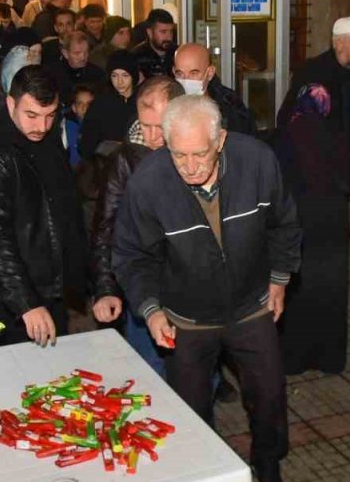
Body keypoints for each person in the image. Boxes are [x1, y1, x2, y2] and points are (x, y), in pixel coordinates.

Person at [114, 94, 299, 482]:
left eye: (200, 154)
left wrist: (280, 277)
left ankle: (267, 467)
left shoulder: (258, 162)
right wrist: (151, 309)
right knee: (189, 411)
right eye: (179, 155)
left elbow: (284, 222)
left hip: (251, 307)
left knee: (269, 398)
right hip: (187, 319)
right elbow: (132, 255)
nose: (190, 167)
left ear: (221, 140)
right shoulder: (148, 182)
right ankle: (205, 472)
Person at [278, 16, 350, 312]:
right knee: (319, 231)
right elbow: (288, 121)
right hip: (321, 169)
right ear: (339, 43)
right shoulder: (313, 73)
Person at [0, 66, 88, 346]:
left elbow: (66, 206)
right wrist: (26, 302)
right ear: (11, 104)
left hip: (51, 284)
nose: (41, 126)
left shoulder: (46, 138)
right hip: (15, 296)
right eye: (32, 115)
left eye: (50, 116)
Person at [90, 76, 185, 377]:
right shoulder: (126, 160)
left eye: (162, 126)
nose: (154, 136)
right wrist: (106, 287)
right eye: (146, 126)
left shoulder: (199, 154)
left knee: (196, 380)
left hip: (192, 289)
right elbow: (107, 224)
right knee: (149, 376)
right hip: (145, 285)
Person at [274, 84, 350, 375]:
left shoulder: (283, 138)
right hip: (331, 225)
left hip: (296, 223)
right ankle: (330, 359)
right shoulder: (338, 136)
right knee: (330, 291)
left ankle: (294, 359)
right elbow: (348, 180)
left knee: (296, 292)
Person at [173, 42, 254, 135]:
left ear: (210, 73)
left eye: (193, 73)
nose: (186, 80)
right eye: (179, 73)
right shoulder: (166, 103)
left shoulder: (230, 105)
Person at [79, 50, 138, 159]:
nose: (119, 81)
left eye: (125, 75)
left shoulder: (142, 102)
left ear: (133, 76)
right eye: (114, 76)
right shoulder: (100, 104)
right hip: (105, 164)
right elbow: (86, 144)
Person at [49, 32, 105, 104]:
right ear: (65, 53)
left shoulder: (98, 74)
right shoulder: (52, 74)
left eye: (86, 52)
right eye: (77, 53)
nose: (83, 57)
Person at [129, 8, 177, 79]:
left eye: (171, 31)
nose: (169, 37)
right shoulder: (136, 57)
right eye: (163, 32)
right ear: (150, 33)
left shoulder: (178, 54)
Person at [61, 84, 95, 167]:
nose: (85, 108)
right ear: (74, 108)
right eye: (80, 103)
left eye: (89, 104)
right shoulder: (68, 125)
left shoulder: (97, 124)